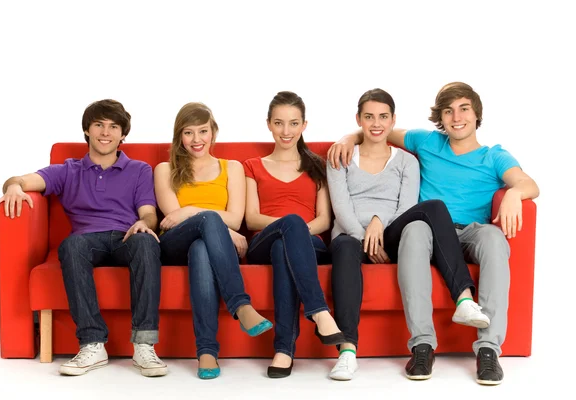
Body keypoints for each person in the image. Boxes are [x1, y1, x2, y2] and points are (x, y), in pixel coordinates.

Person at [327, 82, 540, 385]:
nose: (456, 117)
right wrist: (349, 137)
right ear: (440, 117)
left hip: (470, 232)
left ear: (476, 114)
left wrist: (513, 194)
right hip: (426, 228)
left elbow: (529, 184)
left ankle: (488, 350)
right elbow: (378, 130)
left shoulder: (494, 156)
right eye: (448, 111)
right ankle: (422, 345)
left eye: (464, 109)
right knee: (414, 231)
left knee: (494, 238)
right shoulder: (426, 142)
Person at [0, 99, 167, 377]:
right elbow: (20, 180)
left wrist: (143, 223)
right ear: (87, 130)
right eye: (98, 124)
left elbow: (149, 213)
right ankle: (92, 343)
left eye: (114, 127)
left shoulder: (139, 170)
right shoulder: (68, 170)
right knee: (72, 244)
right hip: (87, 241)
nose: (105, 132)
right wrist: (13, 186)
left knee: (147, 240)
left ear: (123, 135)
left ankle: (144, 344)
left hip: (127, 237)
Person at [154, 102, 273, 380]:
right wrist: (199, 216)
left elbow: (235, 218)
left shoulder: (231, 168)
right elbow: (172, 217)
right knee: (203, 228)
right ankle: (241, 305)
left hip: (207, 243)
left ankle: (206, 351)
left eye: (203, 131)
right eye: (188, 133)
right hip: (173, 244)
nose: (197, 140)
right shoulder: (164, 168)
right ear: (179, 136)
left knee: (201, 249)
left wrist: (196, 212)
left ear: (214, 132)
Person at [243, 91, 345, 378]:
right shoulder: (252, 165)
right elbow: (251, 218)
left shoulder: (317, 166)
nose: (286, 131)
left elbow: (324, 220)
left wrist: (295, 232)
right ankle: (319, 311)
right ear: (268, 124)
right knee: (286, 230)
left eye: (293, 123)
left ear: (304, 125)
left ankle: (284, 349)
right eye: (279, 123)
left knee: (283, 248)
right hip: (263, 239)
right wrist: (291, 226)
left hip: (308, 243)